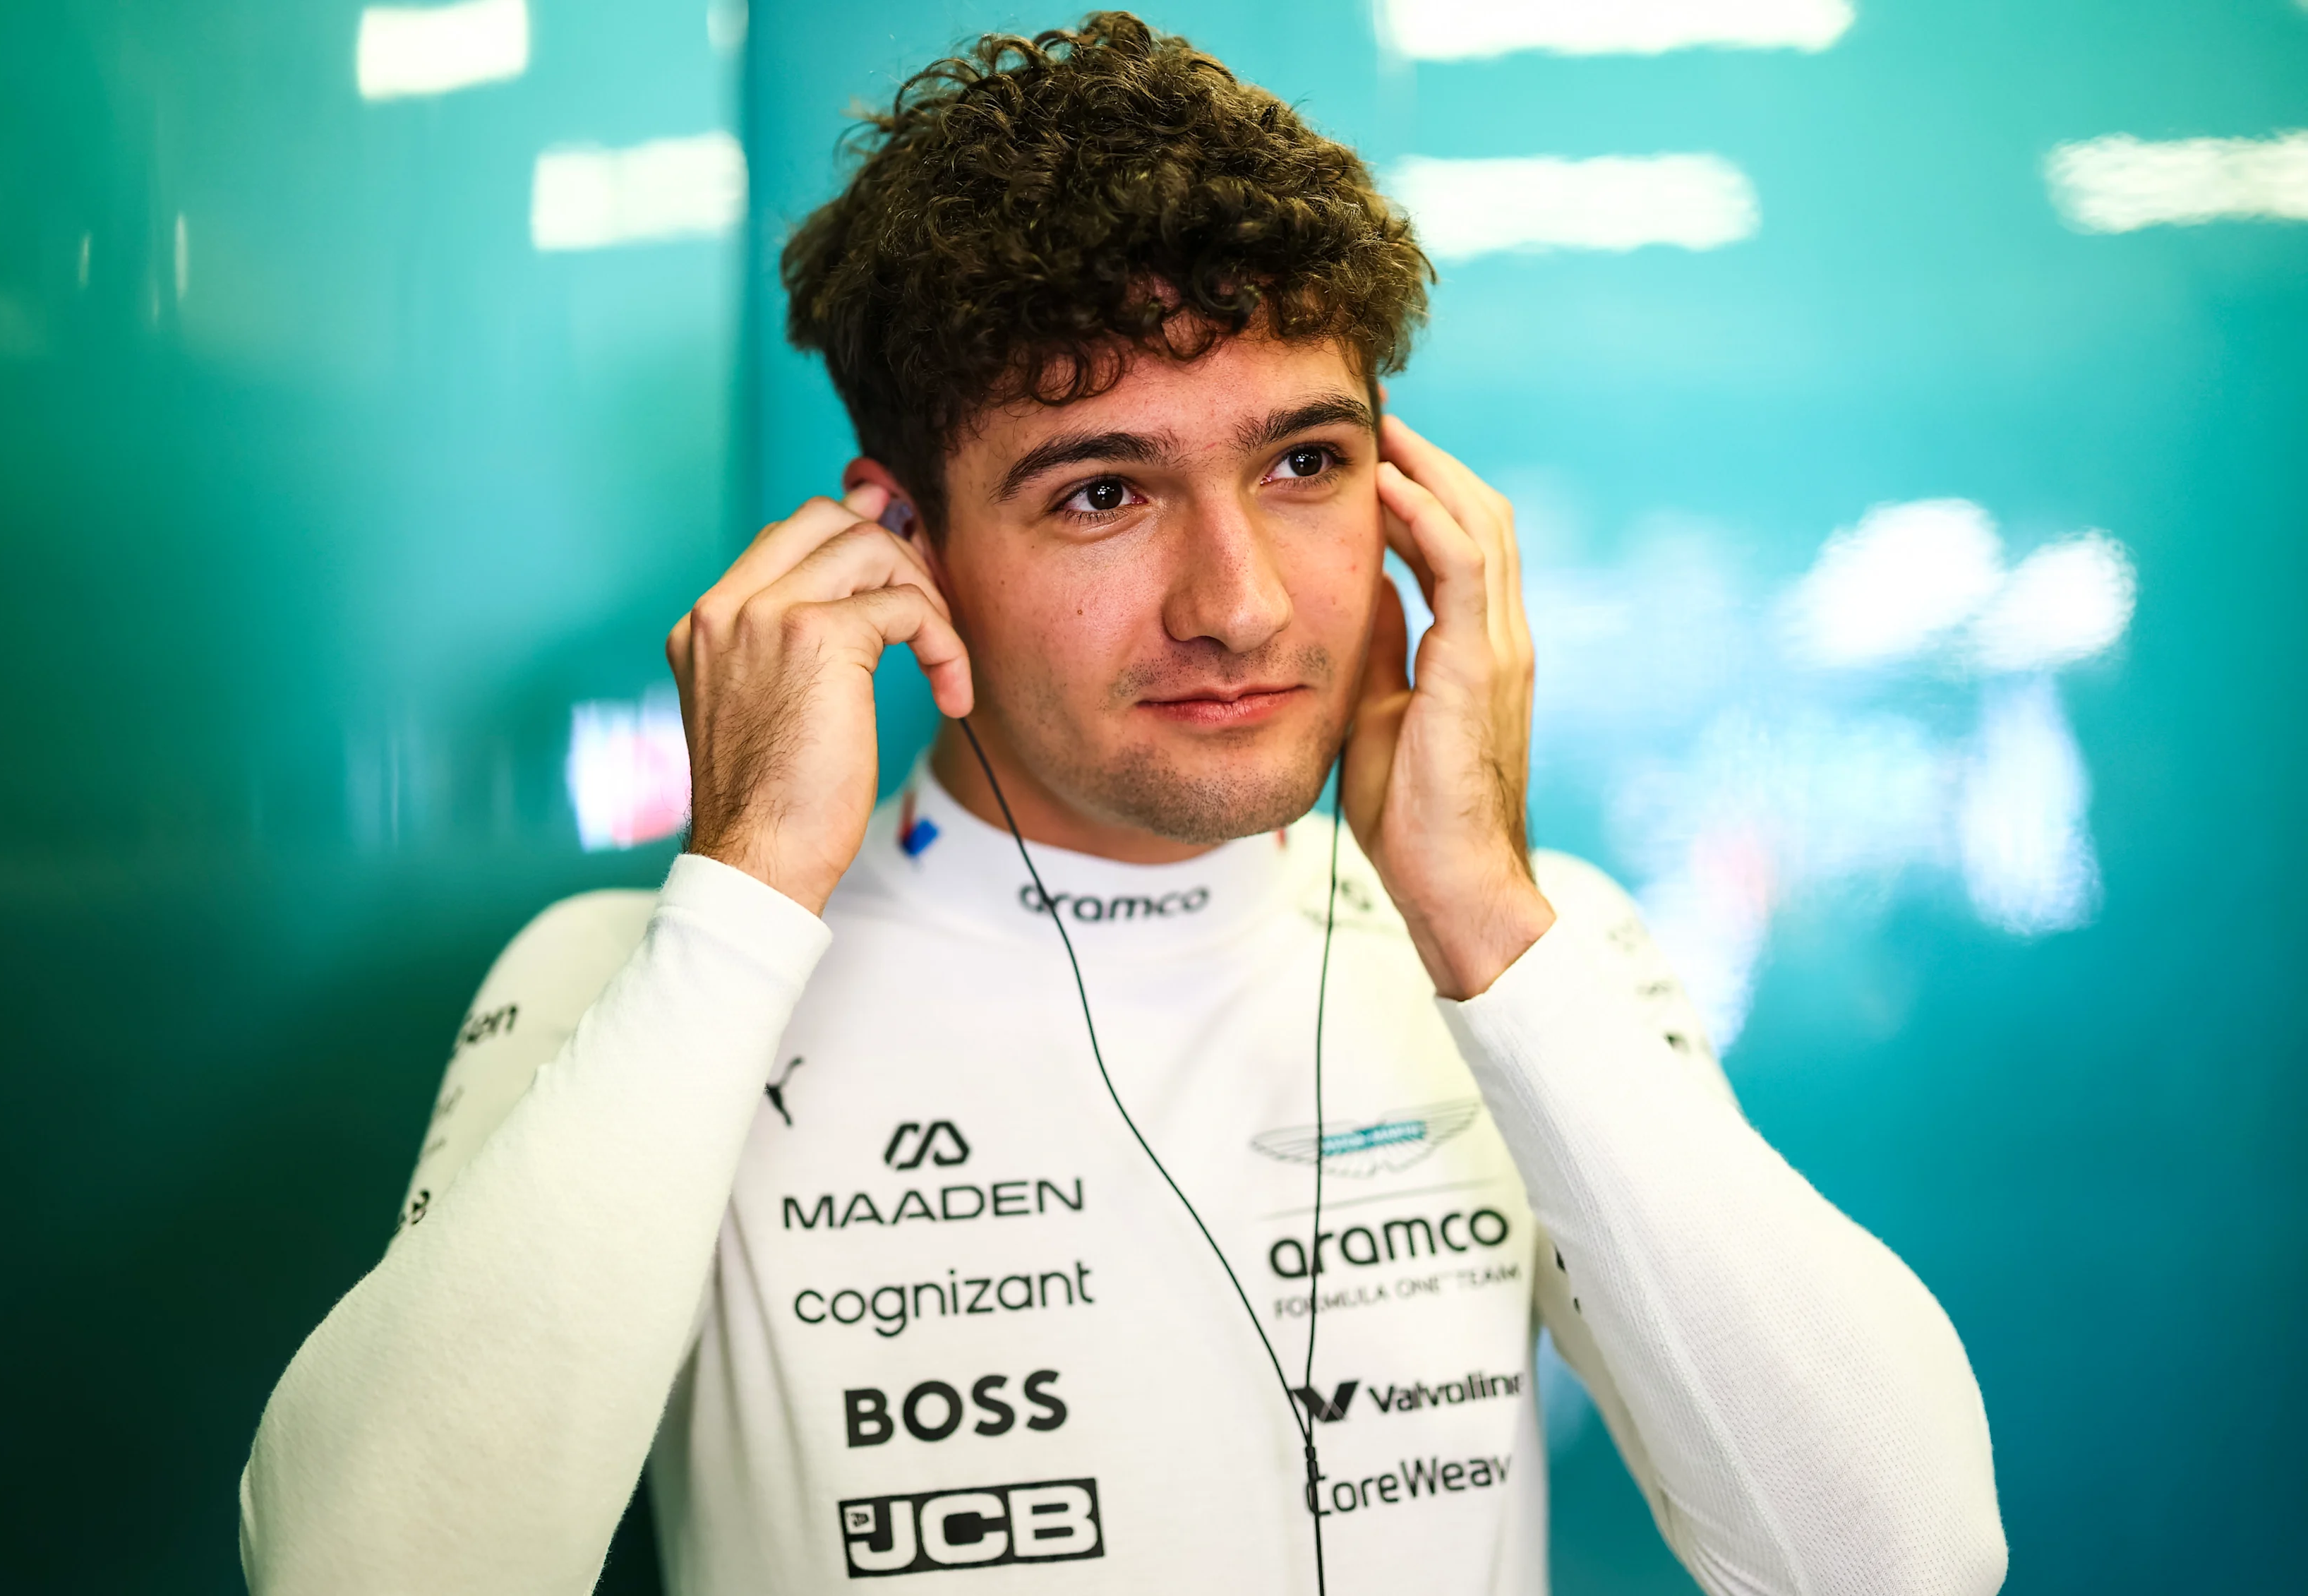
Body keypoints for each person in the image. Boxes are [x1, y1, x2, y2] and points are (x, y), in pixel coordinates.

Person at [239, 14, 2007, 1595]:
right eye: (1102, 492)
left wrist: (1482, 916)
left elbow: (1899, 1560)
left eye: (1303, 464)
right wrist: (746, 902)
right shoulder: (632, 972)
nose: (1235, 598)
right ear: (897, 540)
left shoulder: (1543, 952)